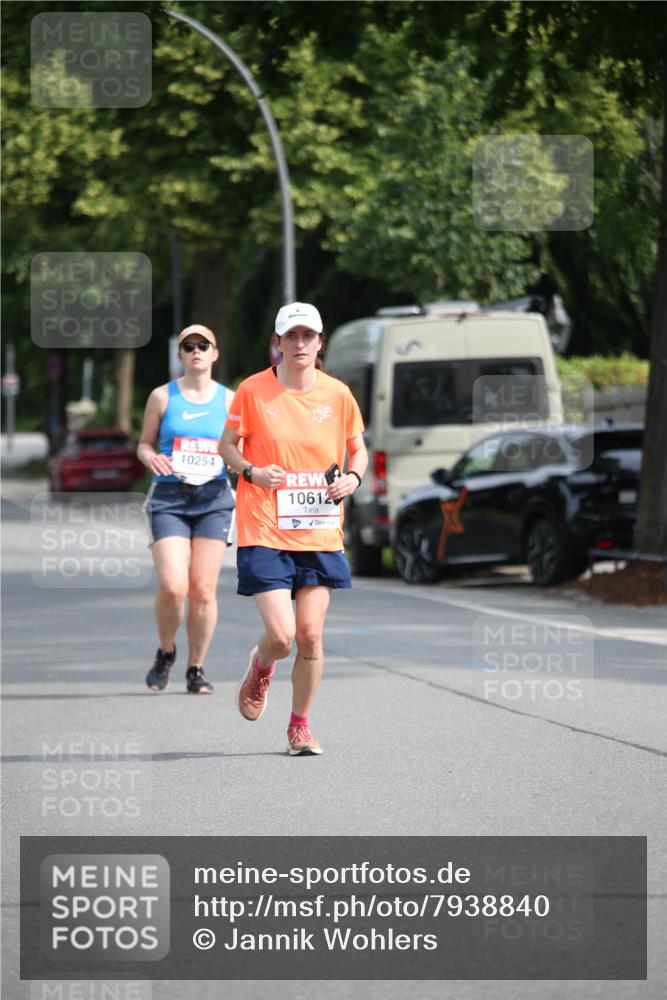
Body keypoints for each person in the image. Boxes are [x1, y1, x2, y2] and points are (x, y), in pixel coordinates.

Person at [219, 302, 368, 755]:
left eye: (308, 336)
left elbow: (357, 450)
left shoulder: (338, 394)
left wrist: (354, 478)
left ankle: (299, 727)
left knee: (310, 635)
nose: (300, 344)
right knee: (282, 636)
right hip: (264, 525)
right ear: (278, 343)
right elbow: (227, 447)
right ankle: (262, 665)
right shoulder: (252, 390)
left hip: (320, 530)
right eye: (292, 336)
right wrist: (251, 471)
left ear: (319, 343)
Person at [138, 324, 235, 694]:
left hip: (213, 498)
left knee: (204, 590)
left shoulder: (230, 400)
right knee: (173, 587)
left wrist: (235, 461)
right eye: (187, 345)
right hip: (169, 498)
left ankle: (196, 667)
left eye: (203, 345)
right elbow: (144, 444)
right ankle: (166, 651)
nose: (196, 350)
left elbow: (243, 448)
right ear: (179, 354)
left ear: (215, 353)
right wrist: (151, 459)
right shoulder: (162, 397)